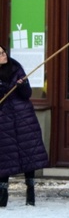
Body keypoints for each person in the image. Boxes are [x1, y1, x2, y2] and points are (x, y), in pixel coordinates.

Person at [0, 45, 49, 207]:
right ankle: (2, 195)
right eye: (0, 54)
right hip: (4, 119)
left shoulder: (16, 68)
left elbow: (27, 95)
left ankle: (30, 193)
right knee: (5, 156)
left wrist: (23, 86)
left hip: (23, 117)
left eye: (3, 52)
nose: (3, 55)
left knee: (29, 153)